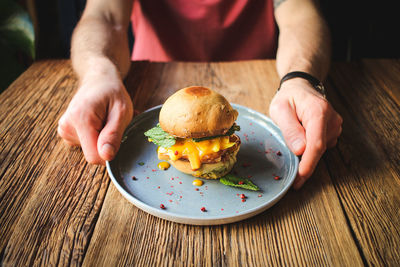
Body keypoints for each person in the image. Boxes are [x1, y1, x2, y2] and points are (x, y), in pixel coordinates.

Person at [57, 0, 343, 189]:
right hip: (149, 85)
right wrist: (98, 73)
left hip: (264, 83)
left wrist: (300, 78)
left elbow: (299, 13)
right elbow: (104, 14)